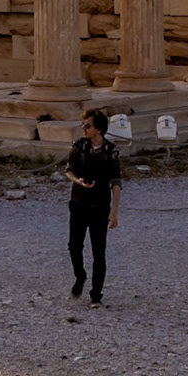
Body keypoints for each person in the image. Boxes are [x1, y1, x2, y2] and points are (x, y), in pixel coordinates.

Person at [65, 107, 123, 308]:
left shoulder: (111, 151)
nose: (83, 128)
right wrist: (78, 181)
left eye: (87, 125)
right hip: (79, 203)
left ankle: (96, 294)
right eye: (83, 124)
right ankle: (80, 276)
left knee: (99, 251)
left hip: (100, 207)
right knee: (74, 246)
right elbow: (69, 171)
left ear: (98, 129)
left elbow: (116, 182)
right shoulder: (79, 146)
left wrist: (114, 212)